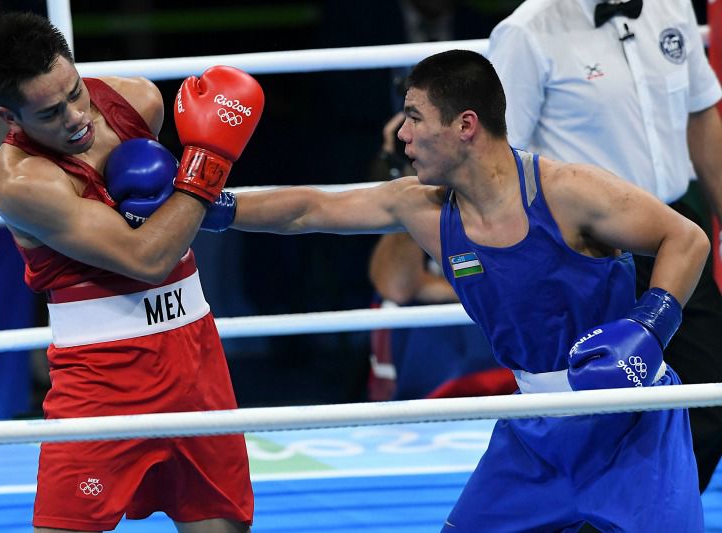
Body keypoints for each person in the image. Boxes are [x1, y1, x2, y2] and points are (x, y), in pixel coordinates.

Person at [200, 49, 710, 530]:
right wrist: (207, 202)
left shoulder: (568, 192)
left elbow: (685, 237)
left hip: (630, 425)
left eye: (415, 117)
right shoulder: (422, 208)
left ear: (465, 125)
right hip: (534, 431)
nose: (402, 134)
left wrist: (647, 329)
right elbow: (309, 209)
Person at [0, 11, 264, 533]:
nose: (77, 117)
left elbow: (170, 219)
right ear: (10, 118)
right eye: (50, 113)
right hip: (103, 378)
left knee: (221, 526)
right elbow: (146, 258)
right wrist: (209, 161)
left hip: (194, 352)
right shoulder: (23, 182)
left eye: (76, 92)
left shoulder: (138, 102)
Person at [488, 0, 722, 493]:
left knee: (708, 395)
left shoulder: (671, 6)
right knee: (599, 420)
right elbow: (500, 165)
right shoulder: (526, 33)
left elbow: (701, 116)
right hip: (590, 252)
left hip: (677, 234)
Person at [366, 112, 515, 401]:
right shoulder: (424, 196)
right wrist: (412, 181)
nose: (412, 141)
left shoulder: (520, 183)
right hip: (442, 352)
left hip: (511, 340)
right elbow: (396, 286)